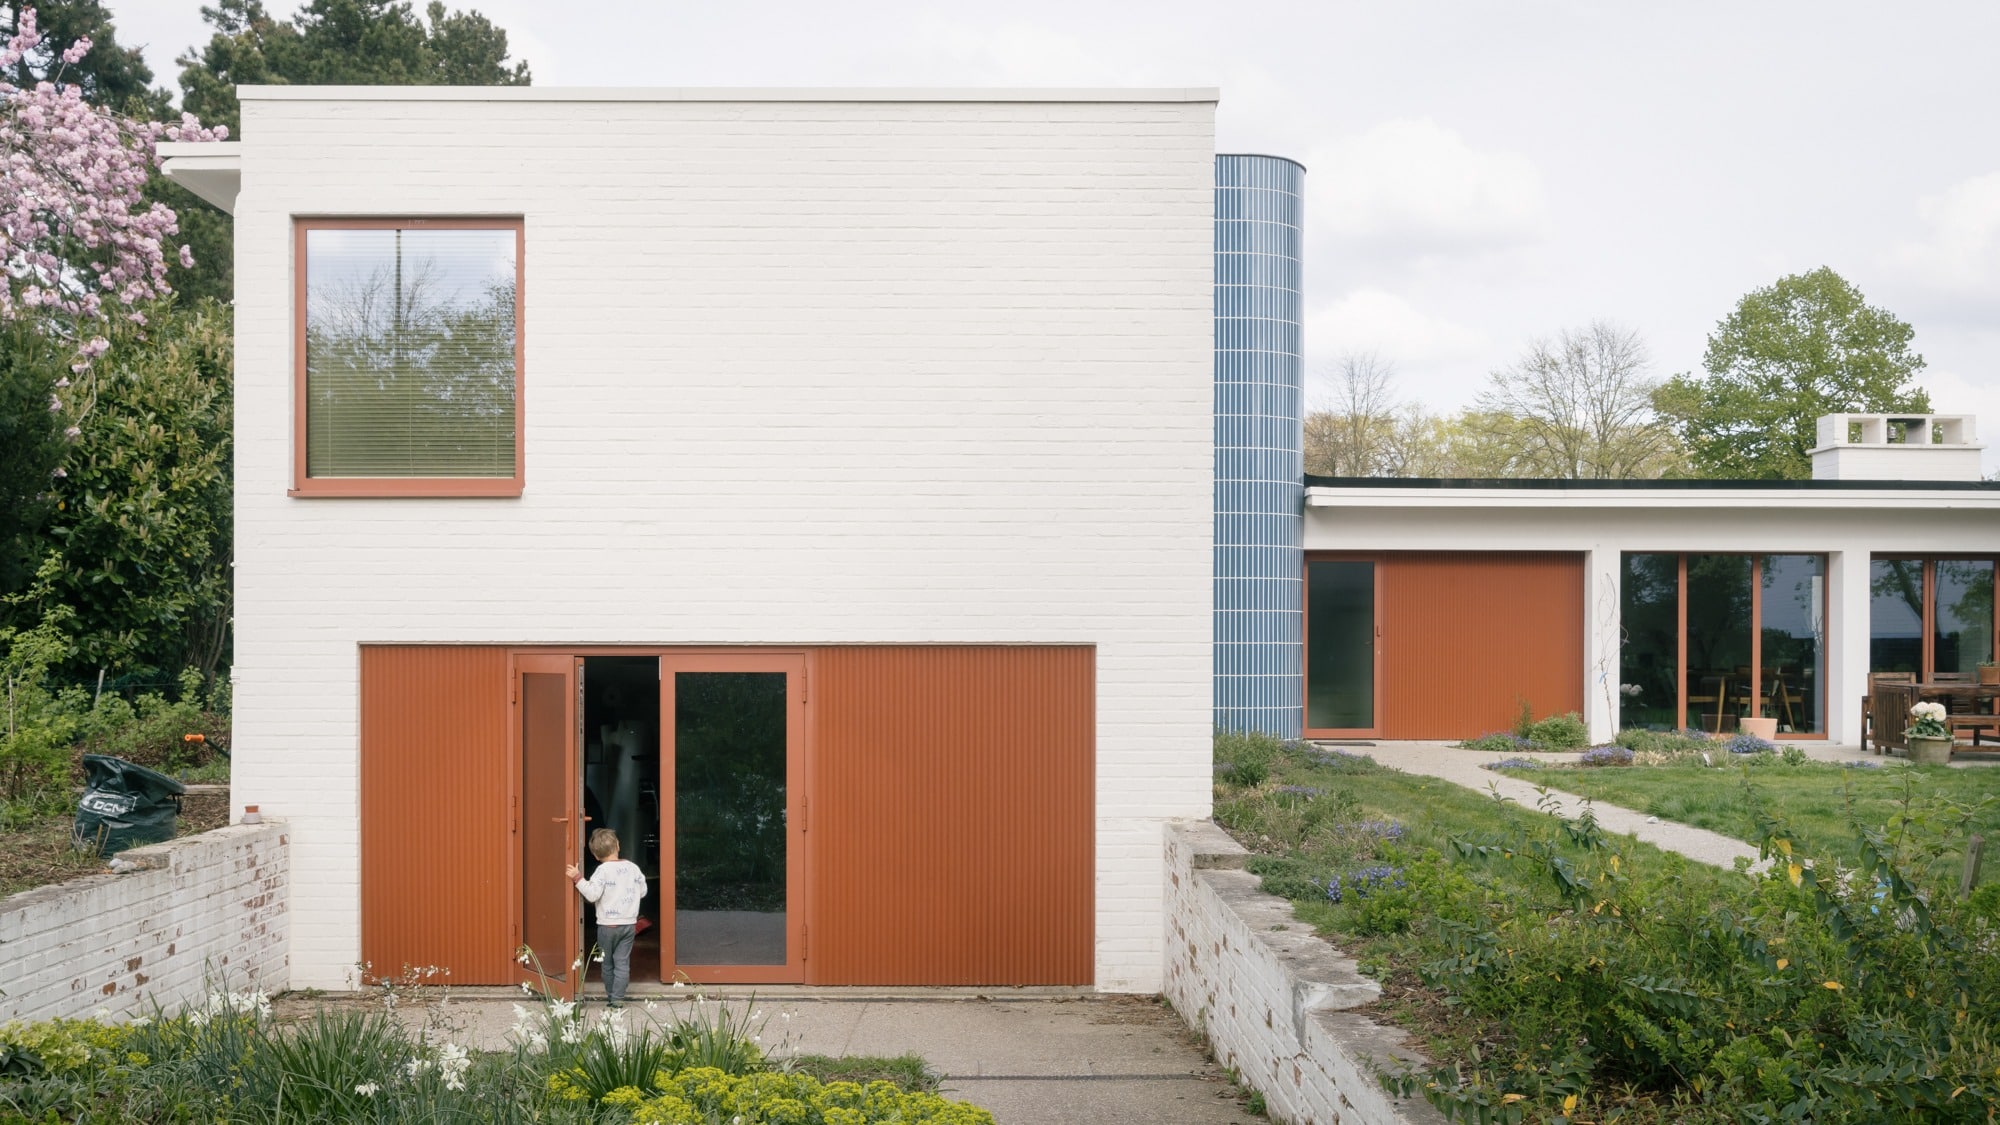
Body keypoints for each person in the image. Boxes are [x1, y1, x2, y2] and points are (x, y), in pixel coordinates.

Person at [565, 828, 647, 1007]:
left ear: (595, 855)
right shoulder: (633, 868)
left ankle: (611, 996)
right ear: (618, 845)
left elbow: (592, 895)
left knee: (607, 964)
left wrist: (578, 878)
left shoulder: (601, 871)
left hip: (606, 927)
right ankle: (618, 999)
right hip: (628, 926)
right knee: (622, 962)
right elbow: (643, 891)